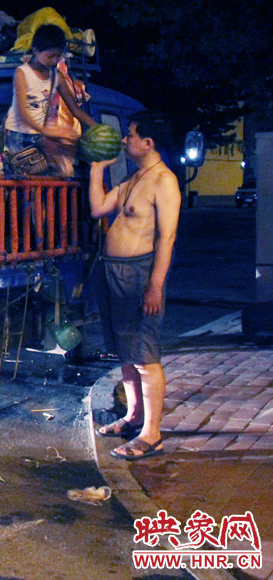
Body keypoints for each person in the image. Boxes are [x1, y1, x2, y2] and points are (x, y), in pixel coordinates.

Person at [89, 111, 180, 461]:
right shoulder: (131, 179)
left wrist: (155, 285)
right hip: (111, 271)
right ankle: (133, 417)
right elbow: (99, 208)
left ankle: (151, 433)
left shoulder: (164, 181)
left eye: (130, 135)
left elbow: (167, 237)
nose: (124, 139)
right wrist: (98, 167)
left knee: (144, 355)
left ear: (148, 142)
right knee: (126, 354)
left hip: (138, 274)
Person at [3, 23, 96, 175]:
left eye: (58, 56)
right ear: (35, 51)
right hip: (17, 136)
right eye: (50, 56)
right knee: (21, 182)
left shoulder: (56, 76)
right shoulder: (23, 73)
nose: (54, 61)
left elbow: (75, 110)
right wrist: (49, 132)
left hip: (39, 136)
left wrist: (96, 126)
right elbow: (22, 112)